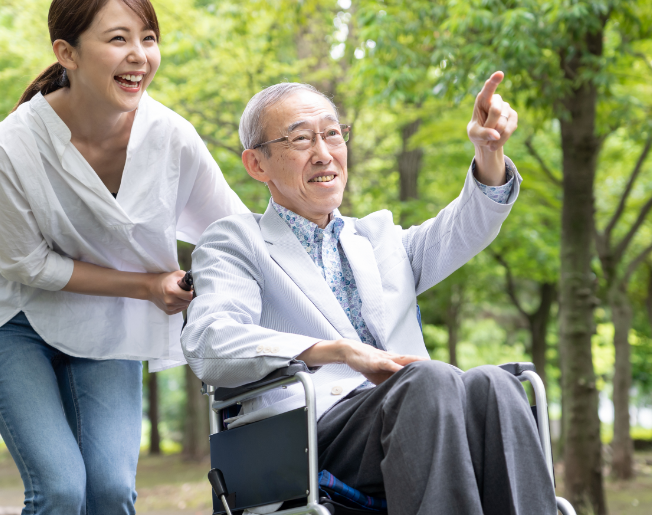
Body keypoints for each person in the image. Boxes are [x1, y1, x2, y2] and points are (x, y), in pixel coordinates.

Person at [183, 72, 557, 515]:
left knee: (497, 385)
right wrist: (338, 351)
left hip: (421, 409)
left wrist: (488, 150)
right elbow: (210, 342)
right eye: (301, 140)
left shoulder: (377, 239)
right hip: (310, 429)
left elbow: (464, 228)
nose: (324, 154)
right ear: (257, 164)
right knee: (430, 378)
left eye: (332, 135)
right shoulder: (235, 242)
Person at [0, 0, 249, 513]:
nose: (139, 55)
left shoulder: (171, 137)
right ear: (66, 52)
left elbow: (233, 231)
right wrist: (148, 286)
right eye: (118, 39)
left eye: (148, 38)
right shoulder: (14, 145)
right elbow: (30, 266)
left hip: (109, 326)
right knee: (62, 489)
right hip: (16, 318)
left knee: (112, 491)